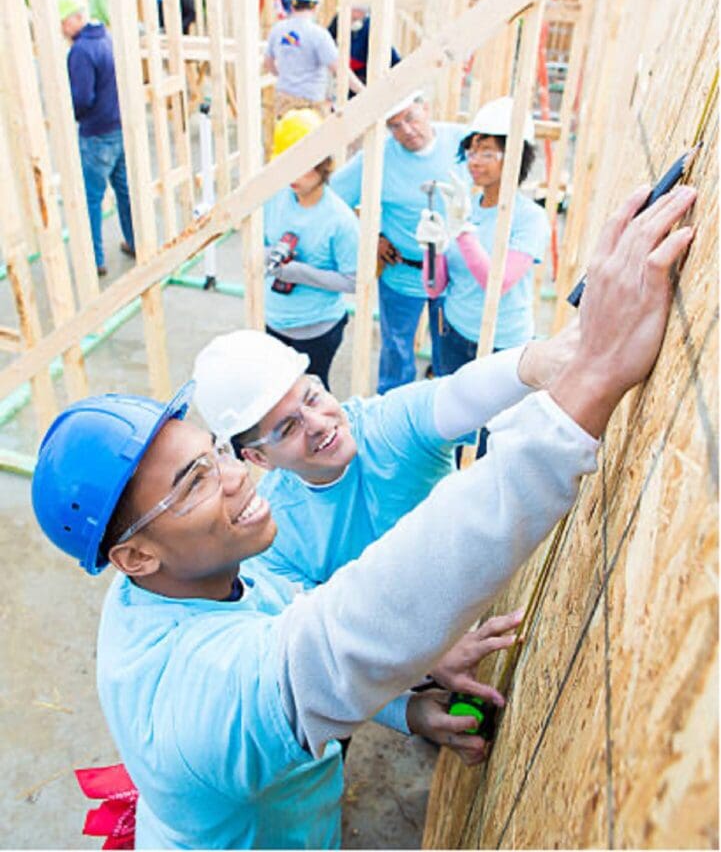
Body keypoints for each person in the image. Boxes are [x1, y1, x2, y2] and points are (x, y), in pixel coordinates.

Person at [30, 182, 697, 849]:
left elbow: (331, 635)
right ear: (135, 557)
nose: (236, 479)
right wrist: (593, 381)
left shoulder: (194, 574)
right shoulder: (204, 694)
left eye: (213, 456)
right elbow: (345, 638)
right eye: (196, 481)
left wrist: (409, 703)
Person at [192, 324, 577, 592]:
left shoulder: (384, 427)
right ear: (258, 458)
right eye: (288, 429)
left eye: (312, 397)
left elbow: (459, 395)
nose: (317, 423)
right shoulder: (276, 536)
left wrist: (537, 361)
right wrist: (407, 703)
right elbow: (321, 633)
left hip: (479, 588)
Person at [331, 90, 465, 393]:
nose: (405, 130)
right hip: (403, 273)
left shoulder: (461, 142)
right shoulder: (377, 157)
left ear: (426, 108)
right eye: (394, 125)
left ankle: (446, 411)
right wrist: (371, 237)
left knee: (448, 351)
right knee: (396, 349)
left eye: (410, 118)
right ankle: (392, 412)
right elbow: (333, 202)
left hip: (453, 275)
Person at [418, 97, 550, 377]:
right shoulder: (465, 208)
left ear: (516, 156)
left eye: (488, 153)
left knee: (496, 421)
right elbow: (434, 288)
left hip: (502, 345)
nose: (475, 162)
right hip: (453, 333)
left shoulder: (530, 218)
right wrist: (433, 250)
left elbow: (497, 283)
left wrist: (463, 231)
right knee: (454, 418)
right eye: (472, 152)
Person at [263, 109, 359, 388]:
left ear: (324, 164)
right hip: (274, 321)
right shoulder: (275, 198)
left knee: (312, 396)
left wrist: (298, 272)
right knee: (276, 394)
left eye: (301, 164)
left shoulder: (340, 220)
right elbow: (257, 245)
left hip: (317, 329)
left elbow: (353, 281)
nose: (292, 174)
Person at [58, 0, 135, 277]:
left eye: (63, 22)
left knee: (90, 197)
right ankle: (134, 240)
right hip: (118, 127)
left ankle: (94, 259)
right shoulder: (106, 38)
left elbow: (82, 98)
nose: (63, 29)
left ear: (74, 18)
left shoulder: (81, 51)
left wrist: (72, 113)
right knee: (124, 190)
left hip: (96, 133)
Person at [264, 0, 364, 120]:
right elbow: (340, 70)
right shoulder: (318, 34)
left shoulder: (277, 30)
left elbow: (268, 64)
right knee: (313, 141)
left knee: (287, 140)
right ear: (314, 6)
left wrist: (285, 75)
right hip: (310, 106)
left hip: (284, 102)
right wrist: (363, 91)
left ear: (292, 5)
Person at [327, 1, 401, 95]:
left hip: (364, 76)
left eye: (360, 12)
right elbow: (328, 40)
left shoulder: (371, 26)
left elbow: (392, 58)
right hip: (346, 74)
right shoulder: (339, 20)